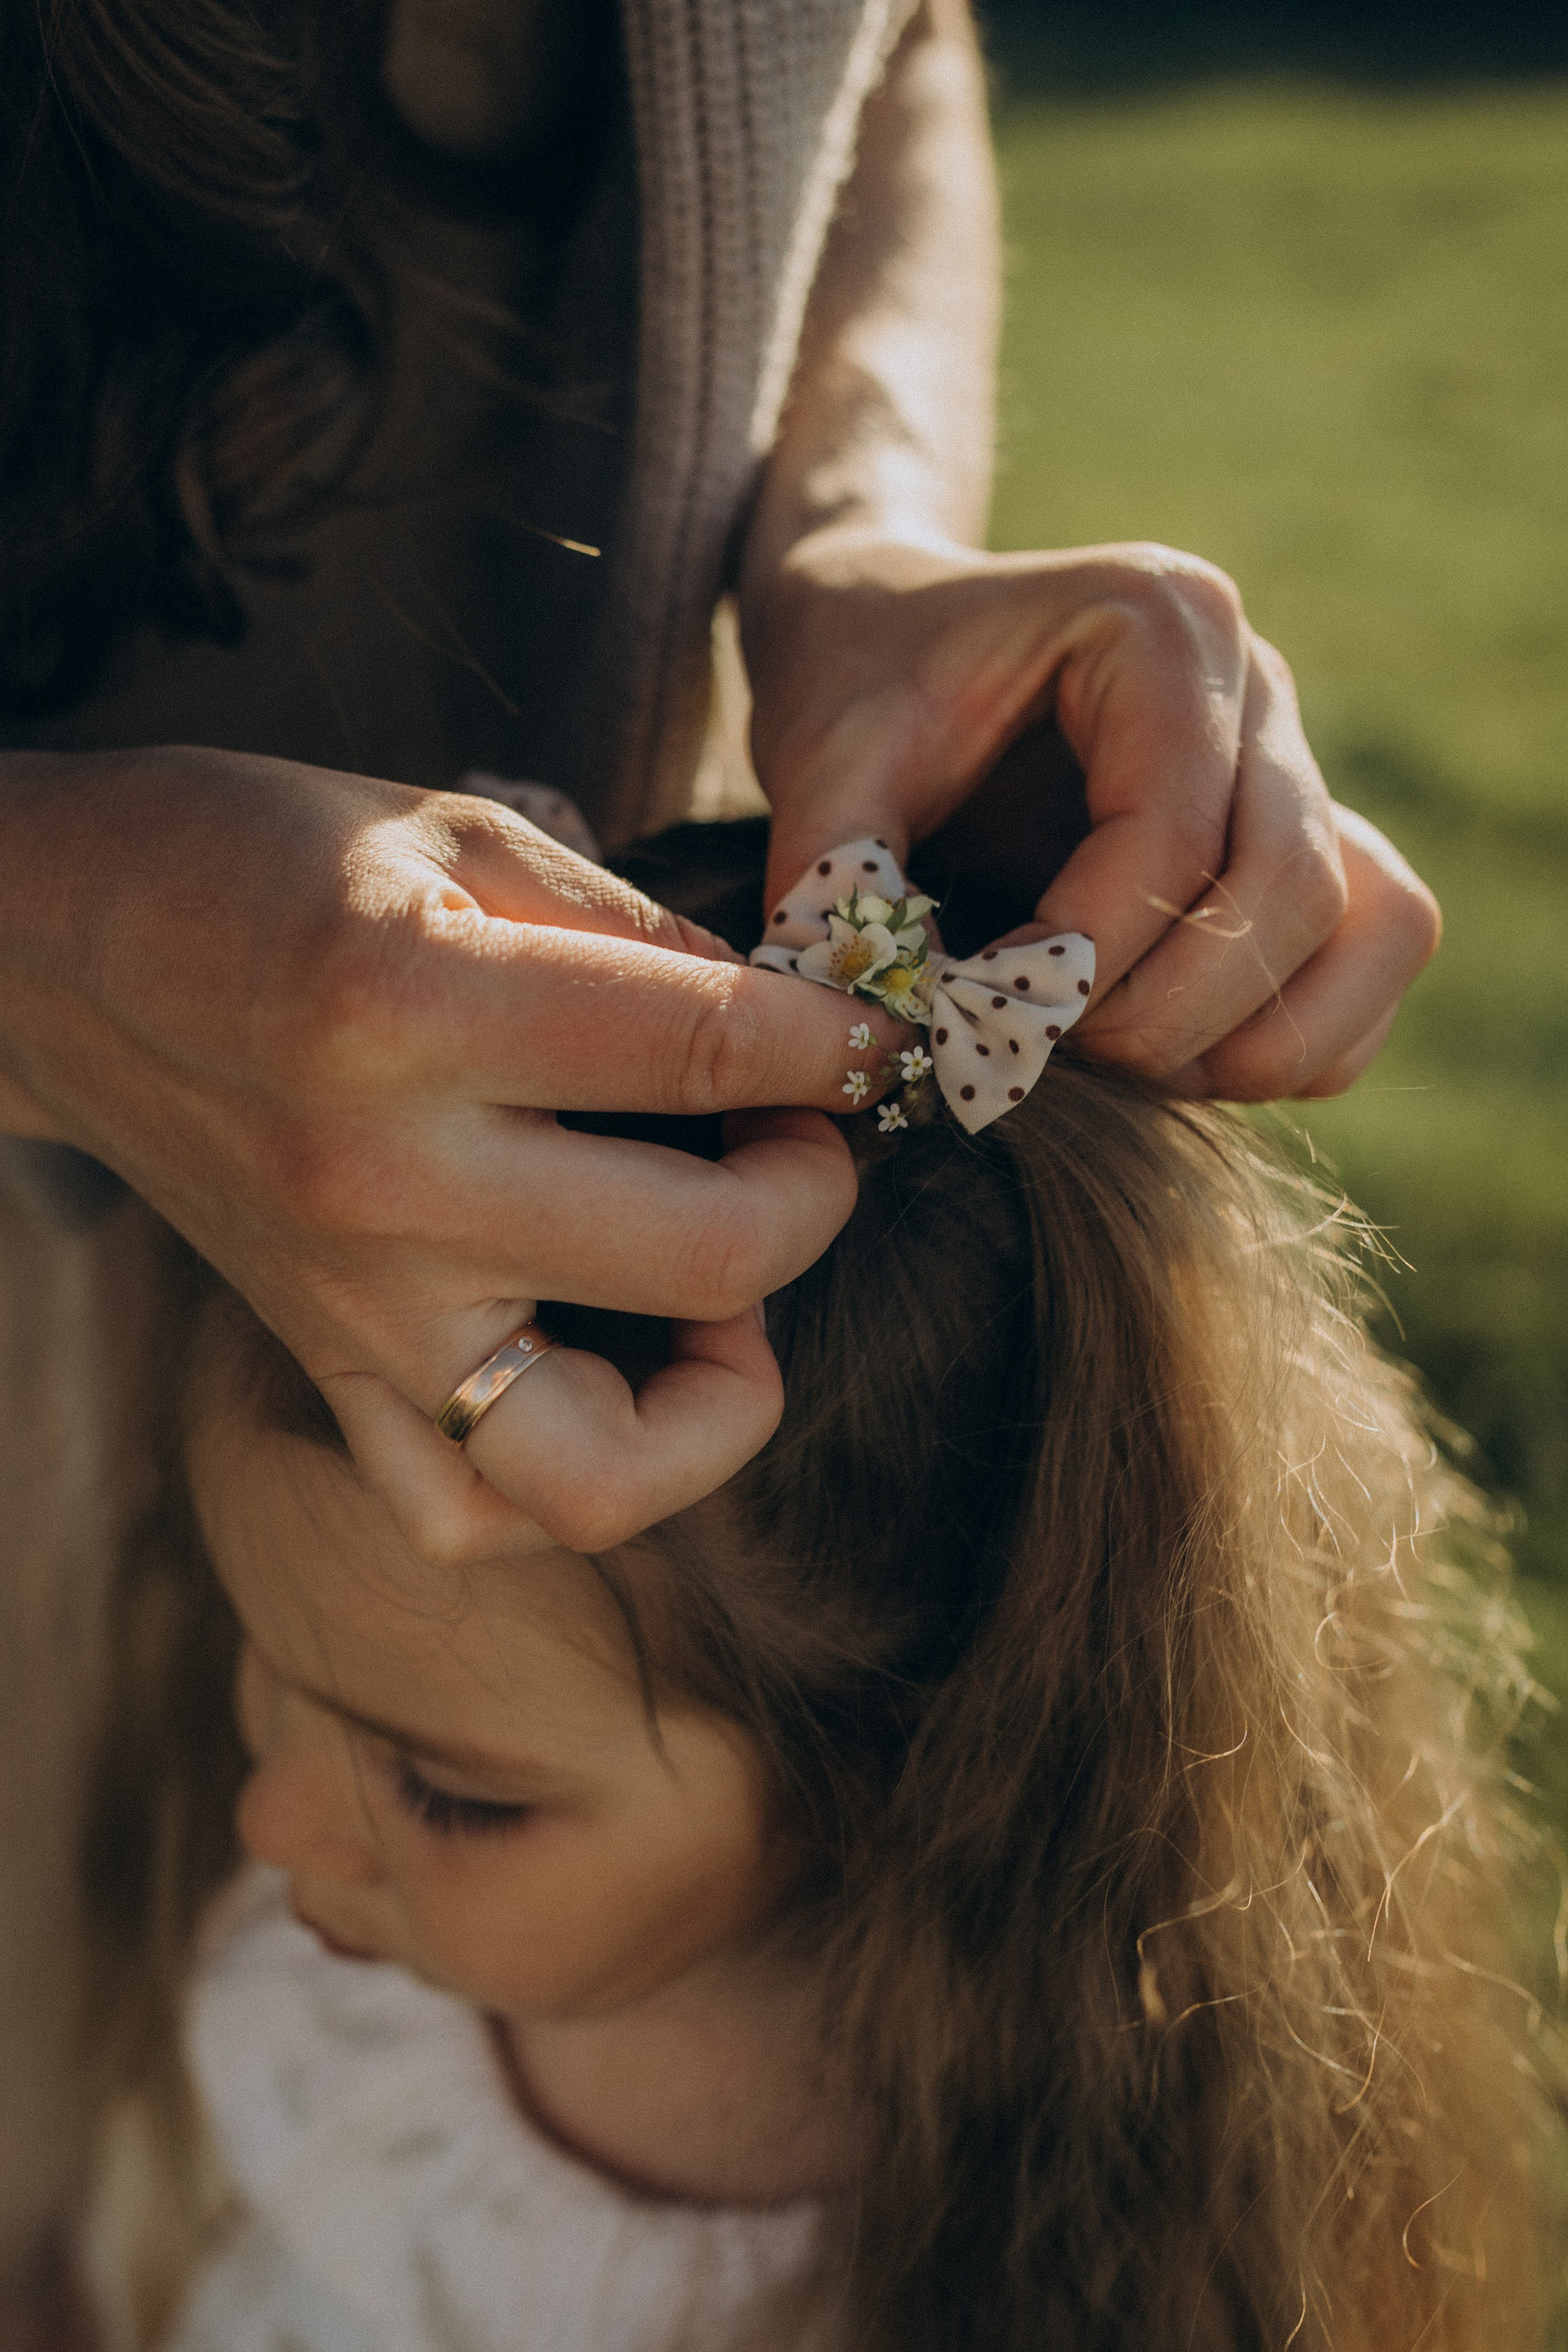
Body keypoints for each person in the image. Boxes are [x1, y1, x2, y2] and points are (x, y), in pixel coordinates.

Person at [0, 0, 1439, 2318]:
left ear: (957, 1779)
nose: (259, 1838)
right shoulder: (350, 1864)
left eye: (441, 1784)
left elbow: (885, 45)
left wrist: (845, 516)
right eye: (286, 1698)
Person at [77, 820, 1550, 2352]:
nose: (268, 1824)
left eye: (451, 1794)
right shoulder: (394, 1946)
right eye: (272, 1666)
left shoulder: (990, 2260)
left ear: (906, 1775)